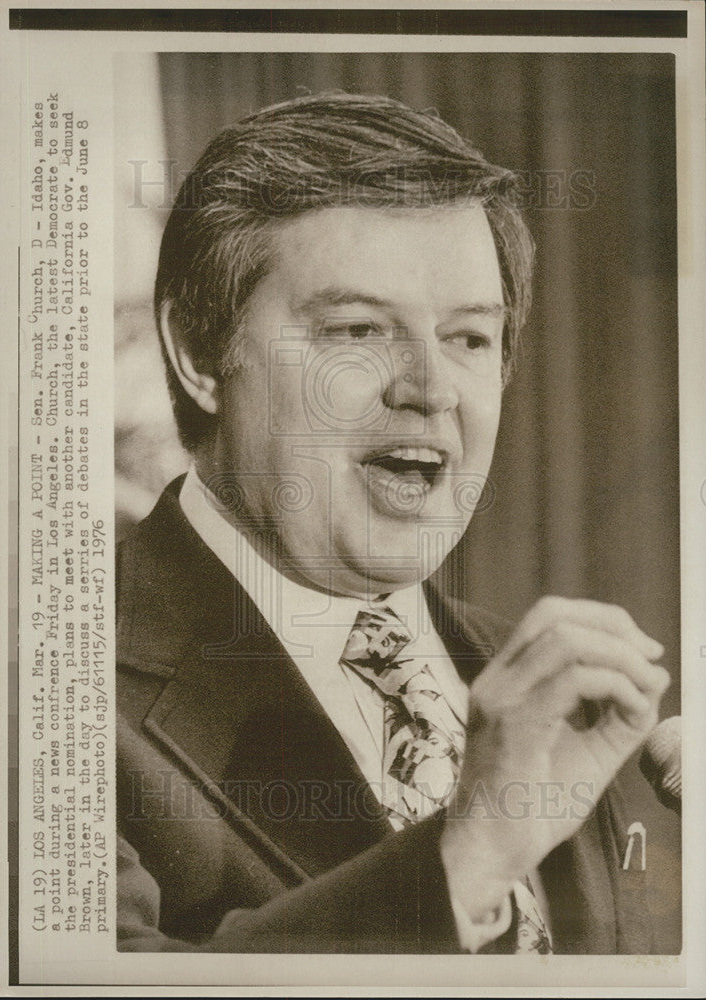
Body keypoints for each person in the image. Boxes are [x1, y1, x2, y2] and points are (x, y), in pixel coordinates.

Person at [116, 92, 669, 954]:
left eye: (469, 339)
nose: (431, 388)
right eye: (358, 329)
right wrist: (467, 855)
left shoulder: (533, 690)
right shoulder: (46, 683)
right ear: (198, 352)